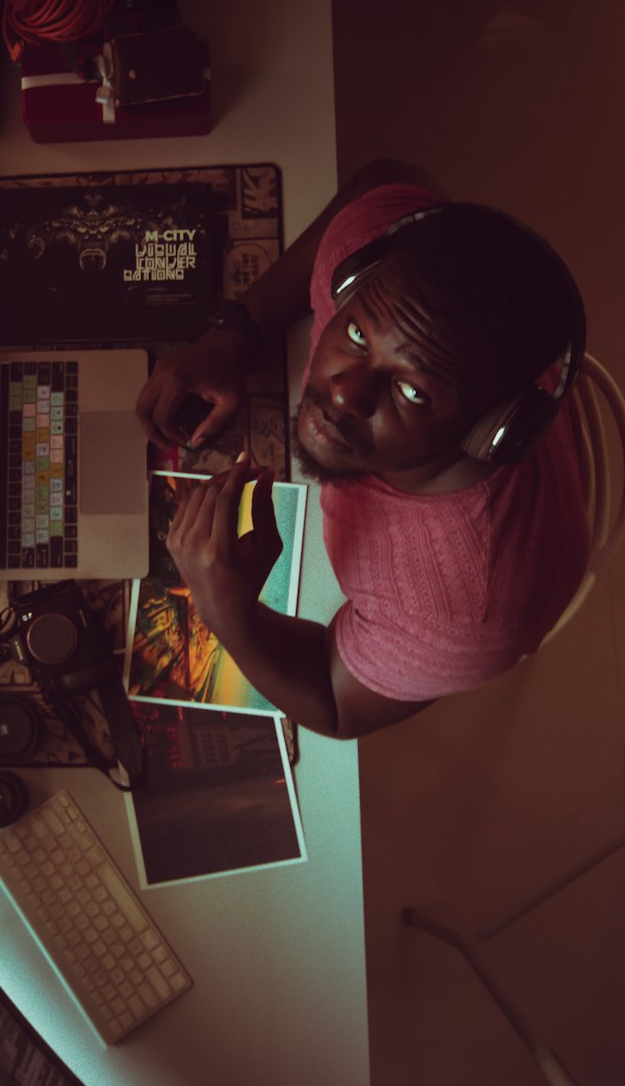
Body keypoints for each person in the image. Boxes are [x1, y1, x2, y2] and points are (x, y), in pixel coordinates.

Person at [135, 160, 590, 739]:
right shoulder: (382, 257)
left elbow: (334, 701)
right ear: (356, 281)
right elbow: (381, 179)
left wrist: (228, 612)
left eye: (411, 390)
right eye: (355, 333)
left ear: (491, 431)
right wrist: (237, 333)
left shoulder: (465, 610)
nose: (343, 393)